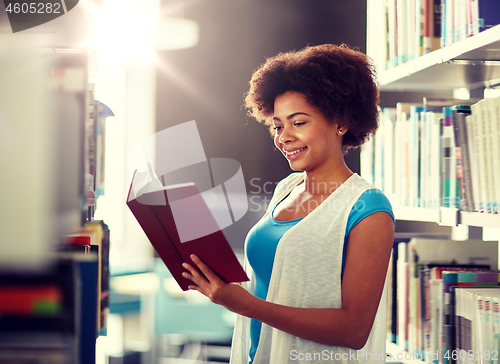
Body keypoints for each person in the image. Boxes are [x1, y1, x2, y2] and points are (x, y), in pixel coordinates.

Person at [181, 44, 395, 364]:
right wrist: (222, 285)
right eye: (278, 125)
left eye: (298, 122)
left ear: (340, 121)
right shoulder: (286, 189)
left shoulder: (368, 209)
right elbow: (277, 280)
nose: (284, 137)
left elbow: (353, 330)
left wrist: (244, 304)